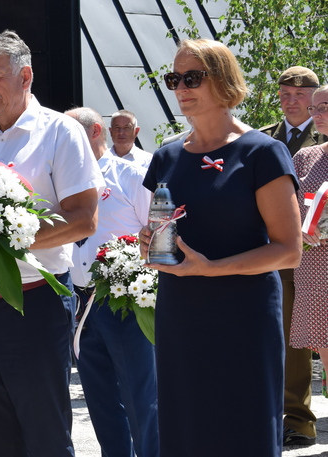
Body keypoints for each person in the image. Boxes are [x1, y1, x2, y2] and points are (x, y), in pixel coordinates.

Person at [140, 39, 302, 456]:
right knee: (185, 426)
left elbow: (289, 250)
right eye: (174, 79)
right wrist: (150, 243)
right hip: (180, 312)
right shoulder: (166, 157)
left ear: (223, 80)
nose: (181, 88)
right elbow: (164, 232)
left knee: (243, 426)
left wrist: (212, 268)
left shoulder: (262, 152)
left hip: (244, 315)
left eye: (192, 78)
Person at [0, 31, 102, 457]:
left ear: (25, 76)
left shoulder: (60, 132)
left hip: (34, 304)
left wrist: (8, 240)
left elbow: (84, 219)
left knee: (45, 438)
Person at [66, 107, 158, 457]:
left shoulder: (130, 176)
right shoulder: (61, 181)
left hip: (125, 302)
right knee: (101, 401)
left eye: (68, 133)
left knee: (141, 398)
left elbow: (161, 233)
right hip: (80, 303)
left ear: (94, 132)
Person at [259, 65, 326, 447]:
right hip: (277, 253)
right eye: (285, 94)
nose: (292, 101)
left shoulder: (321, 136)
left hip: (317, 256)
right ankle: (296, 419)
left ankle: (300, 419)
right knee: (287, 339)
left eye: (301, 95)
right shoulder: (264, 138)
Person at [289, 84, 328, 420]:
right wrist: (301, 226)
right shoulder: (305, 156)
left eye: (324, 107)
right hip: (314, 266)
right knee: (326, 348)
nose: (317, 114)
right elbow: (291, 208)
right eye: (314, 108)